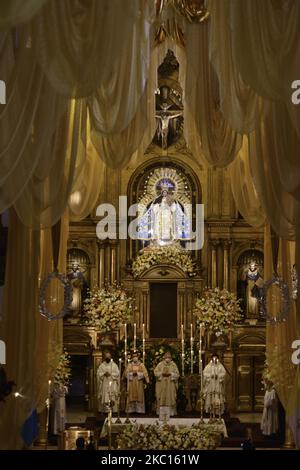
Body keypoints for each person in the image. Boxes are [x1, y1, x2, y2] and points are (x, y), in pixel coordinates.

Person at [154, 351, 179, 418]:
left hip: (170, 384)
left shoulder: (173, 365)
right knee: (161, 397)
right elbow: (156, 373)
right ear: (164, 358)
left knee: (170, 397)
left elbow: (177, 375)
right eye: (166, 357)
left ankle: (171, 412)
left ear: (171, 358)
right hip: (161, 383)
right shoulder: (160, 364)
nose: (167, 358)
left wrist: (171, 374)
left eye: (169, 357)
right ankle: (160, 412)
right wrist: (162, 374)